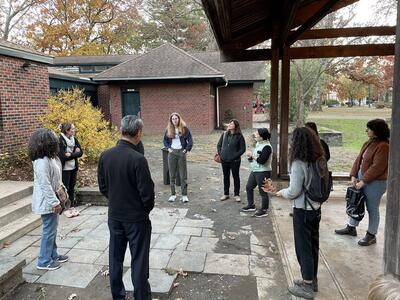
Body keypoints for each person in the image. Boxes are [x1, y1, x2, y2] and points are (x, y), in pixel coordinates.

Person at [98, 115, 155, 300]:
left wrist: (116, 201)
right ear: (138, 133)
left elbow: (103, 187)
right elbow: (147, 194)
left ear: (121, 130)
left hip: (114, 216)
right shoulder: (138, 159)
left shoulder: (105, 156)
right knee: (139, 261)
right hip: (136, 220)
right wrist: (142, 210)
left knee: (115, 259)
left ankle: (118, 296)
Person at [275, 127, 325, 299]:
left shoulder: (298, 162)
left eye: (292, 139)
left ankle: (307, 286)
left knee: (303, 249)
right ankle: (312, 279)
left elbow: (294, 190)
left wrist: (282, 193)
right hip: (316, 208)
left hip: (303, 210)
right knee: (313, 246)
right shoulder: (318, 158)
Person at [335, 119, 390, 246]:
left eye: (369, 128)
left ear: (376, 131)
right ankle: (351, 227)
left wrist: (364, 181)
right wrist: (354, 175)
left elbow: (378, 167)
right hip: (363, 180)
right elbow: (358, 159)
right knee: (355, 203)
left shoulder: (384, 146)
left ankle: (371, 235)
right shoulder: (369, 142)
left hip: (375, 183)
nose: (367, 131)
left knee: (372, 208)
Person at [28, 128, 69, 271]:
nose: (55, 140)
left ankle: (53, 254)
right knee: (48, 230)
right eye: (52, 138)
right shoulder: (41, 161)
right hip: (47, 202)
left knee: (52, 229)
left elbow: (55, 179)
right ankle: (44, 261)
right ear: (46, 142)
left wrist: (63, 190)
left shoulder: (50, 158)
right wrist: (55, 202)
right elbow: (44, 184)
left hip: (53, 199)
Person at [241, 128, 272, 217]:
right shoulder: (258, 144)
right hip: (255, 170)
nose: (255, 134)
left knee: (263, 191)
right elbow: (254, 159)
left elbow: (262, 161)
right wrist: (249, 157)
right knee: (249, 187)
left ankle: (264, 210)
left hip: (263, 172)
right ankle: (251, 205)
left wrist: (252, 156)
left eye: (257, 134)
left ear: (262, 137)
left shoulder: (267, 147)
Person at [163, 112, 193, 203]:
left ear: (179, 119)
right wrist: (168, 149)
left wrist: (186, 149)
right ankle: (173, 194)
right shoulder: (168, 129)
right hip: (172, 153)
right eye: (173, 119)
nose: (174, 120)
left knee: (183, 175)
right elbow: (165, 140)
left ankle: (184, 195)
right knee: (172, 175)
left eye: (176, 118)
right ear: (171, 120)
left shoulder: (184, 129)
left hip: (181, 152)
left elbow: (190, 140)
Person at [217, 119, 246, 202]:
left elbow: (242, 149)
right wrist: (221, 154)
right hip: (224, 160)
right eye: (229, 123)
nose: (230, 125)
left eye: (232, 124)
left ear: (235, 126)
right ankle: (226, 194)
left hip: (235, 161)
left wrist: (234, 156)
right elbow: (219, 145)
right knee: (226, 177)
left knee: (235, 177)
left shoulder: (239, 136)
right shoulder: (224, 134)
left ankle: (237, 194)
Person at [58, 122, 83, 208]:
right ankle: (65, 206)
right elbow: (62, 156)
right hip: (65, 168)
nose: (74, 130)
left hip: (73, 167)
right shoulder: (60, 140)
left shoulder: (74, 139)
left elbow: (81, 153)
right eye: (72, 129)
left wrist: (71, 154)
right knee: (65, 189)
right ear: (67, 131)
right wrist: (74, 153)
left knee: (72, 187)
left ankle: (71, 206)